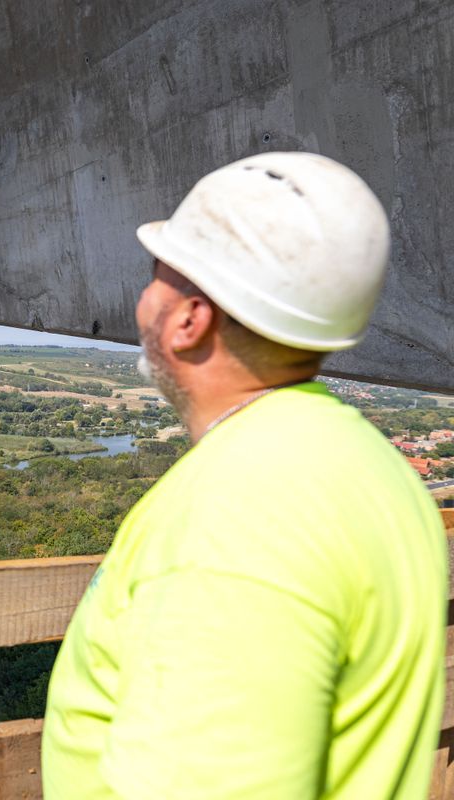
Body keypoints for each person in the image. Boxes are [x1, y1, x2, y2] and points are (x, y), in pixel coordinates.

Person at [41, 152, 447, 799]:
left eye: (156, 276)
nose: (143, 298)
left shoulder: (242, 516)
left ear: (189, 320)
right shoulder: (371, 465)